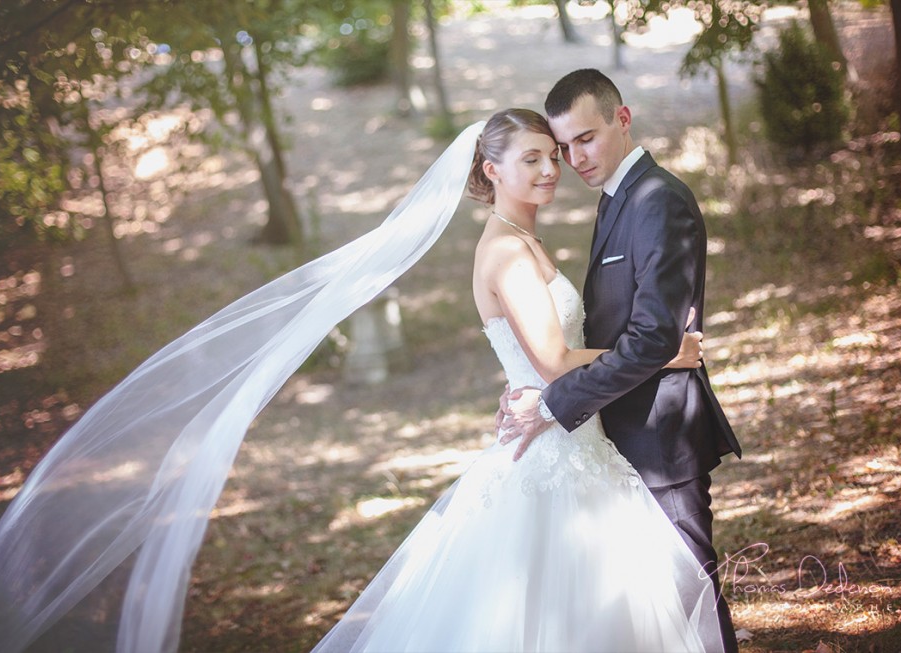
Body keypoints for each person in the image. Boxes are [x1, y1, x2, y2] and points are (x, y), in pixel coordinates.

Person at [310, 108, 724, 652]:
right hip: (554, 456)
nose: (551, 169)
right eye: (531, 159)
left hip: (576, 437)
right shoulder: (507, 250)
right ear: (492, 169)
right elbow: (553, 360)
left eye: (551, 157)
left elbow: (535, 357)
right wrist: (664, 353)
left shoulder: (523, 239)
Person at [498, 69, 743, 653]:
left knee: (690, 601)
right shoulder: (615, 202)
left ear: (622, 118)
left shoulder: (658, 201)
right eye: (563, 147)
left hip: (661, 435)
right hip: (617, 435)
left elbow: (654, 337)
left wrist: (554, 403)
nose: (573, 159)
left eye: (585, 138)